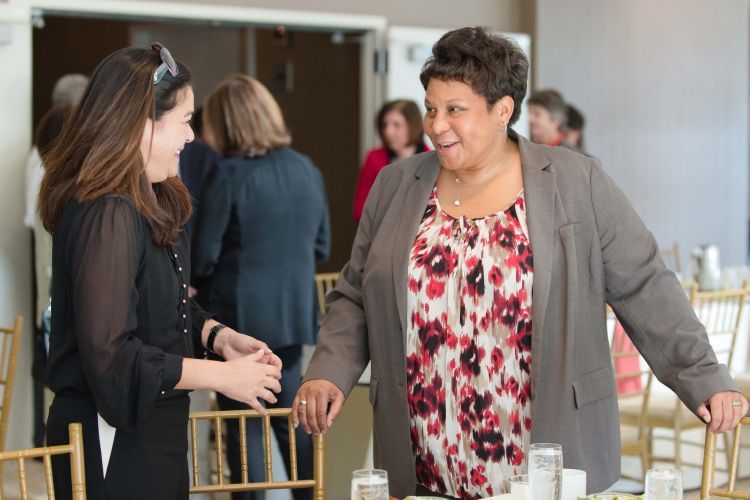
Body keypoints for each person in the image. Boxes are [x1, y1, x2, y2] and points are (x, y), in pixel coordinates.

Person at [293, 26, 747, 499]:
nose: (435, 125)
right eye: (430, 108)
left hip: (539, 452)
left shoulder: (576, 182)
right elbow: (355, 293)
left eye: (455, 110)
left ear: (502, 110)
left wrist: (703, 376)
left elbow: (645, 285)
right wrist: (328, 370)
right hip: (425, 452)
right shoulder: (395, 185)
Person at [39, 44, 283, 499]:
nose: (192, 137)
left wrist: (215, 336)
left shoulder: (144, 200)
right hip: (107, 436)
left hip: (151, 429)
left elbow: (158, 303)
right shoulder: (106, 211)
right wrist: (219, 377)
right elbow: (111, 357)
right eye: (185, 121)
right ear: (139, 125)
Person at [192, 74, 330, 500]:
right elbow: (322, 246)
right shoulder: (305, 167)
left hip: (238, 323)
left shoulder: (228, 174)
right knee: (295, 428)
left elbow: (202, 259)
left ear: (226, 123)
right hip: (291, 322)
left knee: (245, 431)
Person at [25, 73, 89, 448]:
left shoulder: (46, 170)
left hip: (50, 302)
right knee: (62, 396)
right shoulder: (60, 186)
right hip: (57, 303)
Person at [352, 99, 430, 223]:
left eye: (396, 125)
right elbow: (359, 210)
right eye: (385, 125)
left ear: (413, 126)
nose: (388, 132)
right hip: (380, 236)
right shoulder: (374, 158)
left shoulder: (432, 161)